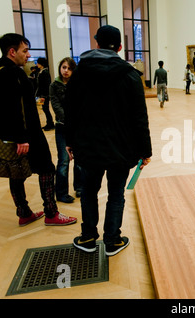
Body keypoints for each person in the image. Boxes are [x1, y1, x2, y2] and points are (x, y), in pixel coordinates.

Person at [65, 25, 152, 257]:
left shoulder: (79, 74)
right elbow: (139, 119)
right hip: (121, 149)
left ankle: (88, 237)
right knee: (116, 194)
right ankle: (112, 240)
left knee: (89, 191)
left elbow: (70, 112)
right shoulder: (130, 76)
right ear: (120, 47)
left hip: (88, 146)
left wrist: (69, 141)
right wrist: (146, 151)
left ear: (97, 43)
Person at [0, 33, 77, 227]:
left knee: (17, 173)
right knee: (47, 169)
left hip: (14, 134)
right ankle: (51, 213)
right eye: (25, 50)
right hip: (26, 134)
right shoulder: (10, 72)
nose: (28, 55)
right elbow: (10, 108)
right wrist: (21, 138)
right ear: (12, 52)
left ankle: (24, 213)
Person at [50, 57, 82, 203]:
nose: (66, 71)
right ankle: (61, 193)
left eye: (69, 68)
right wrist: (69, 121)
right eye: (63, 67)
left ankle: (80, 187)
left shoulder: (78, 84)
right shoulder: (54, 85)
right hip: (62, 127)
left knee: (80, 159)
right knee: (63, 160)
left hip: (78, 127)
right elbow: (56, 106)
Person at [35, 57, 54, 131]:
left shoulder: (45, 72)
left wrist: (44, 96)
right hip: (42, 94)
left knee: (46, 109)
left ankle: (50, 124)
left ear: (41, 64)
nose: (37, 64)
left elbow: (46, 85)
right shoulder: (41, 71)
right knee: (44, 109)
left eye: (38, 63)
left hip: (44, 95)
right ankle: (49, 123)